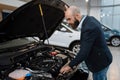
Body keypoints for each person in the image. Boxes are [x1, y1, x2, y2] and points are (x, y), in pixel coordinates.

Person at [60, 6, 113, 80]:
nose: (68, 22)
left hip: (100, 63)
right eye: (66, 20)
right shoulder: (89, 19)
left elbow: (84, 52)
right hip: (103, 56)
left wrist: (69, 66)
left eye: (69, 19)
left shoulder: (89, 27)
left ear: (77, 15)